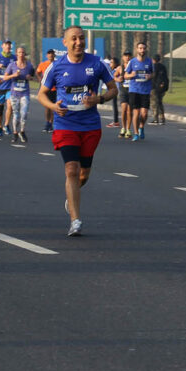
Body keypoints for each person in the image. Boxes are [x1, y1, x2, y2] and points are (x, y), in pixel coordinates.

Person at [37, 25, 117, 237]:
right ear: (65, 43)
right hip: (65, 124)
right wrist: (54, 107)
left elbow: (113, 89)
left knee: (83, 174)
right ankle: (75, 220)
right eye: (73, 39)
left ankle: (72, 196)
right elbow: (42, 94)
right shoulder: (55, 67)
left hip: (90, 125)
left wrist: (98, 99)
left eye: (81, 38)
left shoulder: (97, 64)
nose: (78, 42)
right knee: (71, 170)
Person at [3, 46, 36, 143]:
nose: (21, 54)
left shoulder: (29, 65)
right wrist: (13, 75)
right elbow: (5, 78)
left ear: (24, 54)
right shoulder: (12, 65)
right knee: (16, 114)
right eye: (19, 52)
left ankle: (22, 131)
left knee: (24, 113)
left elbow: (33, 78)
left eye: (23, 52)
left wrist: (30, 77)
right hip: (14, 93)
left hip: (25, 92)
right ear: (16, 54)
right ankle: (15, 133)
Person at [124, 42, 153, 141]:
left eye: (144, 48)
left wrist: (150, 76)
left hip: (145, 90)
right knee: (136, 112)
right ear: (137, 50)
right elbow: (125, 75)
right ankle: (136, 133)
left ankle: (141, 127)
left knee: (144, 113)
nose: (142, 50)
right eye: (140, 48)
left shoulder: (149, 62)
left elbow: (153, 73)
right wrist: (131, 75)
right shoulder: (132, 62)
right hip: (134, 90)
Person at [0, 40, 15, 137]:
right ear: (2, 46)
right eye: (6, 45)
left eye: (9, 46)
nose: (8, 47)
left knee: (10, 105)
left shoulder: (13, 57)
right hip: (0, 85)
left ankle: (6, 125)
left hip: (10, 85)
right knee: (0, 107)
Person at [36, 49, 57, 133]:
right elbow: (37, 72)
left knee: (53, 107)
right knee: (47, 107)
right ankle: (47, 122)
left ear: (54, 55)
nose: (50, 56)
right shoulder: (43, 64)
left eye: (52, 54)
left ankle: (50, 123)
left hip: (55, 89)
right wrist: (40, 79)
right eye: (49, 54)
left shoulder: (57, 64)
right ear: (47, 56)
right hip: (46, 88)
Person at [116, 51, 132, 139]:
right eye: (125, 56)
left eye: (129, 56)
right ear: (123, 57)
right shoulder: (120, 68)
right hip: (123, 90)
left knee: (129, 111)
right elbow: (113, 76)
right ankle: (123, 128)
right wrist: (118, 79)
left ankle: (128, 129)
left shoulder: (133, 67)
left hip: (132, 90)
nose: (127, 57)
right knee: (124, 109)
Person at [150, 53, 169, 125]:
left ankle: (155, 119)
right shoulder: (163, 67)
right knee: (160, 103)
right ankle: (162, 118)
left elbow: (153, 76)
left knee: (154, 103)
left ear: (153, 59)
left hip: (154, 87)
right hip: (162, 88)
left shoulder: (153, 67)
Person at [106, 57, 121, 128]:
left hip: (116, 90)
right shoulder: (112, 70)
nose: (110, 64)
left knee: (115, 106)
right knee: (114, 106)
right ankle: (116, 121)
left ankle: (116, 122)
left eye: (112, 62)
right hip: (114, 90)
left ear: (115, 64)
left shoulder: (116, 70)